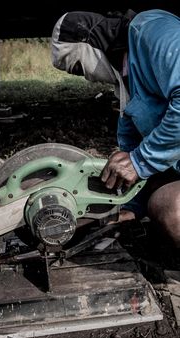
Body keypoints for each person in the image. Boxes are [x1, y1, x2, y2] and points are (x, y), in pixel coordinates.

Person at [51, 9, 180, 247]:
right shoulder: (127, 80)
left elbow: (139, 160)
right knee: (159, 202)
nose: (88, 78)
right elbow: (132, 153)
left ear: (88, 43)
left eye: (78, 68)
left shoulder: (154, 31)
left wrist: (140, 161)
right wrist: (131, 207)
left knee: (175, 213)